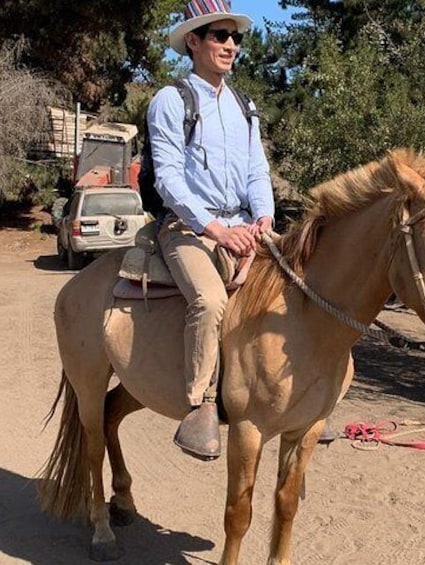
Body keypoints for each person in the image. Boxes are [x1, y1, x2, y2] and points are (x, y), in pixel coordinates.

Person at [147, 0, 274, 460]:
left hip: (244, 224)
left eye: (234, 37)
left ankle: (294, 394)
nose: (231, 45)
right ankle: (200, 403)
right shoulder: (171, 99)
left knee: (297, 277)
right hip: (188, 227)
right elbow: (168, 179)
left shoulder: (244, 105)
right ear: (194, 42)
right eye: (220, 35)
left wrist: (264, 217)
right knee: (210, 299)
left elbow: (258, 170)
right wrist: (218, 230)